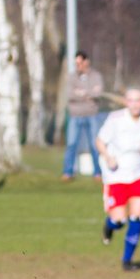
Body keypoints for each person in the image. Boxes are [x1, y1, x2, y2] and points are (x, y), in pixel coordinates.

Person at [96, 88, 140, 271]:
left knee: (136, 217)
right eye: (131, 100)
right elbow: (99, 141)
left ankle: (127, 260)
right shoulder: (115, 119)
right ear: (126, 102)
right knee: (119, 221)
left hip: (139, 175)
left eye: (138, 100)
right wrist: (108, 157)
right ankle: (109, 226)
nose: (135, 104)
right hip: (116, 176)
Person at [62, 51, 104, 182]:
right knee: (71, 144)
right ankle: (68, 172)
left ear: (87, 62)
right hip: (75, 116)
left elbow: (98, 93)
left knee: (95, 145)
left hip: (92, 115)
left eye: (80, 63)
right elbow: (70, 95)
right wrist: (88, 94)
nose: (77, 65)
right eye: (76, 63)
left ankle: (98, 173)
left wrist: (81, 93)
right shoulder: (71, 77)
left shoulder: (96, 76)